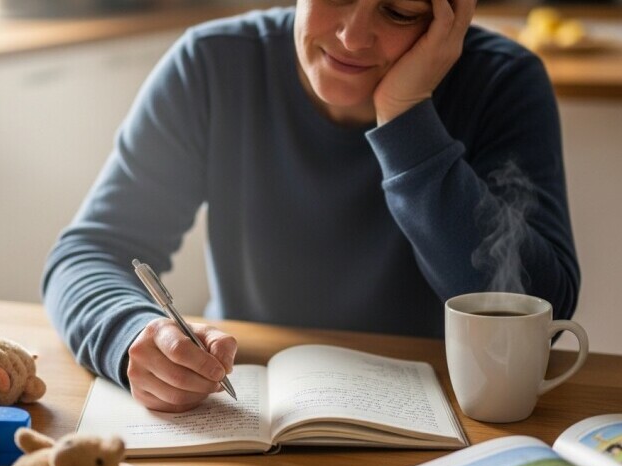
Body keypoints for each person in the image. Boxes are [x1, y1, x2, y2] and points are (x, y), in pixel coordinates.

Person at [42, 0, 580, 413]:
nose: (352, 35)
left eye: (398, 11)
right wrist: (131, 331)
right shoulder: (213, 63)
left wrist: (407, 118)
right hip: (249, 417)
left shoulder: (504, 82)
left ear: (451, 16)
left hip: (454, 427)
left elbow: (536, 304)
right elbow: (89, 253)